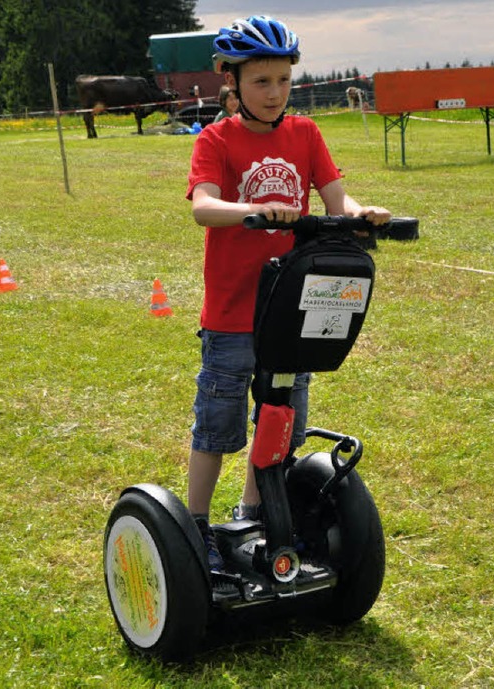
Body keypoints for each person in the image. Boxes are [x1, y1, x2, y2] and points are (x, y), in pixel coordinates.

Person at [185, 15, 392, 571]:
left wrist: (360, 214)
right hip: (233, 313)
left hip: (293, 306)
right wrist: (253, 210)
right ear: (230, 81)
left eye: (282, 80)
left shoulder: (306, 135)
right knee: (217, 422)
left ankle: (253, 510)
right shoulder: (215, 140)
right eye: (260, 81)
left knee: (281, 419)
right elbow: (204, 204)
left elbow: (336, 202)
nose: (274, 92)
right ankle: (197, 526)